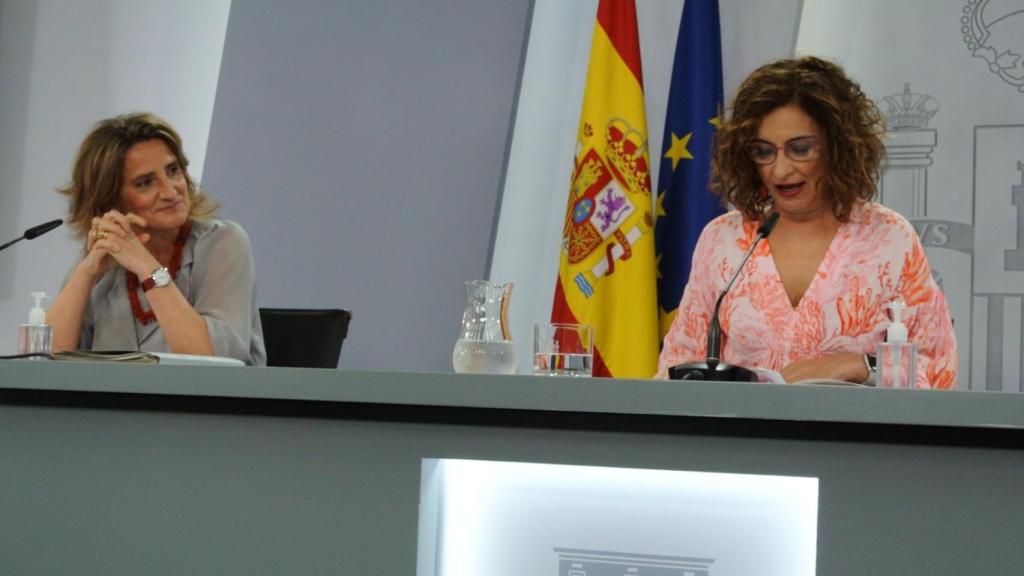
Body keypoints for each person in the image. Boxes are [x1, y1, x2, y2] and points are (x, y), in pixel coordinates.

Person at [657, 57, 957, 387]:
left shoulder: (888, 238)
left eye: (800, 149)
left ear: (837, 145)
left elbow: (938, 371)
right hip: (741, 436)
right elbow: (676, 366)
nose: (779, 170)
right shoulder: (724, 240)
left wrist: (862, 366)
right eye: (763, 151)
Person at [48, 112, 266, 365]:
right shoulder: (105, 258)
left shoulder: (223, 242)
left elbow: (212, 361)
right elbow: (45, 361)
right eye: (145, 183)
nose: (170, 190)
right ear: (110, 200)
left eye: (173, 171)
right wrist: (86, 272)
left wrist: (145, 266)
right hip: (116, 404)